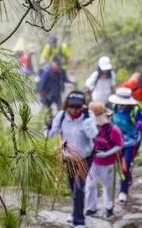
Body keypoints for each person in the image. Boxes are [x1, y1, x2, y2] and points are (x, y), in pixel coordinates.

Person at [45, 91, 99, 228]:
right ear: (67, 105)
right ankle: (76, 212)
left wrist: (86, 120)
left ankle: (79, 220)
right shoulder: (62, 116)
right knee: (72, 186)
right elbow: (50, 135)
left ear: (83, 106)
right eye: (72, 106)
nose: (74, 110)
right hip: (68, 157)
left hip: (85, 157)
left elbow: (93, 134)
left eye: (78, 107)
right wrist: (48, 125)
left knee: (79, 187)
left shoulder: (88, 116)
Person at [84, 101, 123, 219]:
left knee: (108, 187)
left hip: (108, 163)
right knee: (90, 185)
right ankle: (91, 208)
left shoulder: (113, 129)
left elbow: (119, 145)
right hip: (93, 162)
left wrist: (106, 154)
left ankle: (109, 208)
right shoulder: (89, 127)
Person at [108, 87, 142, 203]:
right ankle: (128, 175)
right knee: (121, 165)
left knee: (125, 165)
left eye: (123, 103)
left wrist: (141, 125)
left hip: (131, 142)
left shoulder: (135, 110)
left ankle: (123, 191)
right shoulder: (114, 108)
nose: (121, 105)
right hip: (117, 141)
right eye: (119, 103)